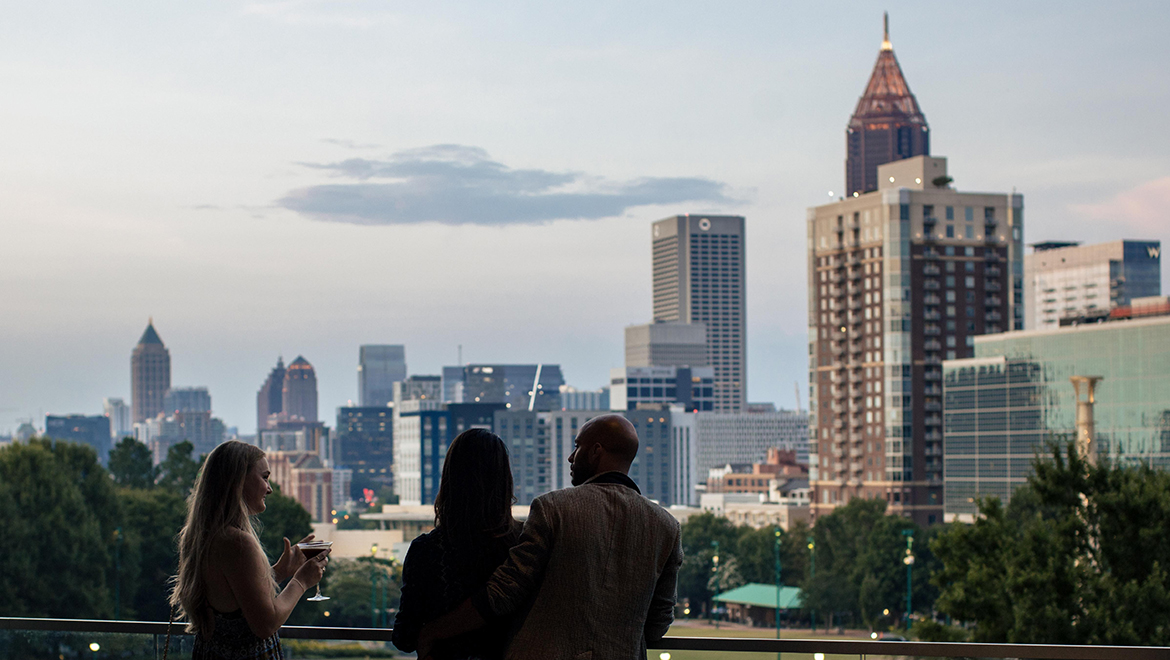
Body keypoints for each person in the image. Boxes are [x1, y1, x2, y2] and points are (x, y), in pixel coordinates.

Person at [418, 414, 683, 660]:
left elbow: (504, 592)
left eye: (577, 447)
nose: (570, 457)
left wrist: (434, 631)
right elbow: (658, 621)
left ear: (596, 451)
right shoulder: (666, 526)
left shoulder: (553, 508)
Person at [170, 440, 329, 660]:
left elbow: (233, 597)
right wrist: (301, 581)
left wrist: (278, 573)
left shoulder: (199, 536)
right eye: (264, 477)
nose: (270, 489)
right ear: (237, 481)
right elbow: (265, 624)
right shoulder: (238, 543)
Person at [393, 429, 524, 660]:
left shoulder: (427, 550)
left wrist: (430, 632)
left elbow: (404, 637)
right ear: (504, 480)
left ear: (450, 480)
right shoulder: (524, 542)